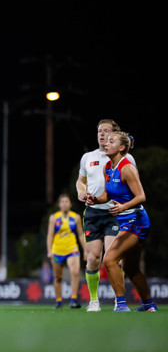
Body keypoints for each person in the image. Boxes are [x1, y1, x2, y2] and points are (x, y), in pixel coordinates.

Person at [86, 131, 157, 312]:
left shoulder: (127, 168)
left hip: (137, 222)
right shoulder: (108, 167)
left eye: (111, 141)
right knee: (130, 267)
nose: (106, 143)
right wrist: (96, 199)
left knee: (109, 260)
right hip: (126, 221)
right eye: (106, 141)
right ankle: (149, 306)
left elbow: (141, 196)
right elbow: (107, 195)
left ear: (122, 147)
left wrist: (123, 207)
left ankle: (122, 306)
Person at [76, 119, 135, 312]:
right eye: (99, 131)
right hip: (93, 213)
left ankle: (120, 300)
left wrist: (127, 204)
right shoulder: (87, 157)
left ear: (114, 134)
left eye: (106, 131)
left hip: (115, 212)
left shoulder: (125, 157)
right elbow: (80, 181)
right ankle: (94, 301)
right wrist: (81, 192)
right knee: (93, 259)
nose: (101, 134)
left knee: (112, 258)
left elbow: (133, 183)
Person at [46, 194, 85, 309]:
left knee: (75, 272)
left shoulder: (76, 217)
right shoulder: (54, 217)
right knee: (58, 277)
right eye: (62, 202)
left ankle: (73, 299)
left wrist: (86, 251)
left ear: (70, 204)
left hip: (72, 249)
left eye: (67, 201)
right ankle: (59, 301)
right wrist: (49, 251)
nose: (64, 204)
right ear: (59, 205)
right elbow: (50, 235)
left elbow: (81, 235)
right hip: (57, 250)